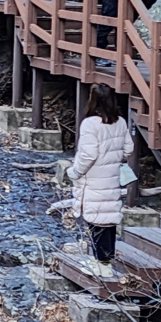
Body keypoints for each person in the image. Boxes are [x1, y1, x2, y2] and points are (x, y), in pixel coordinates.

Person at [66, 84, 133, 275]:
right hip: (110, 176)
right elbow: (128, 149)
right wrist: (113, 158)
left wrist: (75, 172)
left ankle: (102, 264)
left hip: (92, 177)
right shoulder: (120, 122)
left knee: (95, 218)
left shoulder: (90, 124)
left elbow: (88, 155)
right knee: (108, 217)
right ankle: (105, 260)